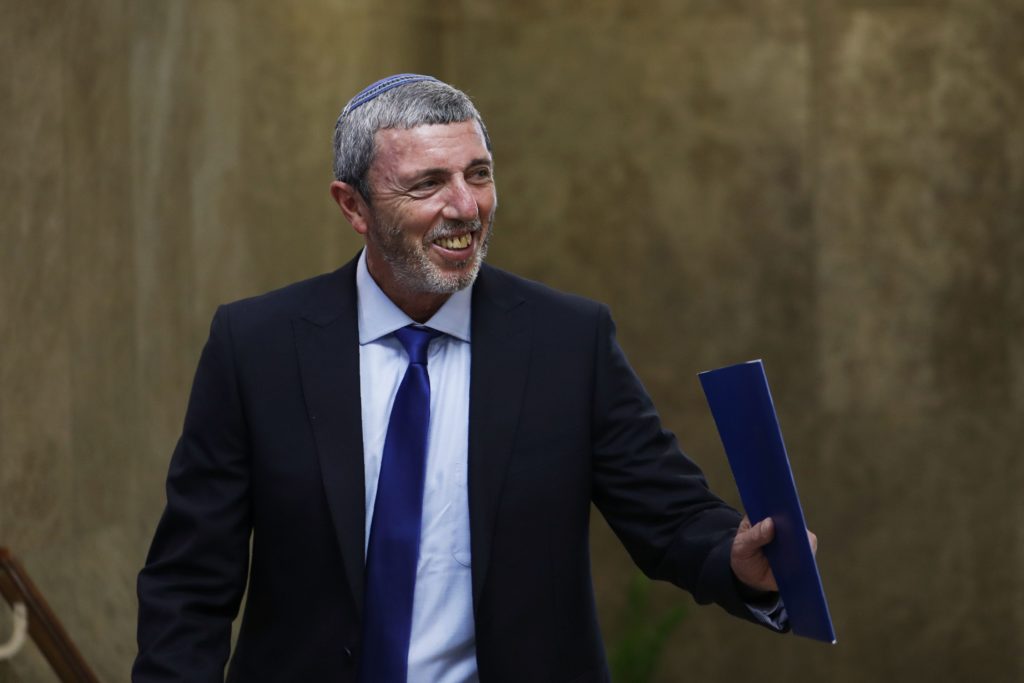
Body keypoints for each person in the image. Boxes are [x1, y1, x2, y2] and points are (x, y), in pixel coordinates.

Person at [134, 74, 809, 683]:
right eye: (427, 184)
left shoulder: (565, 342)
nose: (465, 207)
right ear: (353, 206)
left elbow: (670, 515)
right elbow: (190, 583)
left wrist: (736, 560)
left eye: (478, 174)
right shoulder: (257, 347)